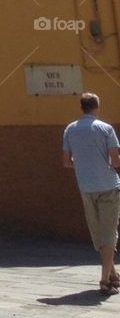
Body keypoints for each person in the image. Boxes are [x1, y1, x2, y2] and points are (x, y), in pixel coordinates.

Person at [62, 92, 120, 294]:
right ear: (97, 106)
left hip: (86, 187)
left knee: (97, 231)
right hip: (108, 185)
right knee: (109, 231)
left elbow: (66, 162)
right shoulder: (105, 129)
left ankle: (113, 274)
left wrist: (84, 163)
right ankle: (105, 280)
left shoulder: (70, 129)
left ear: (82, 107)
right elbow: (116, 160)